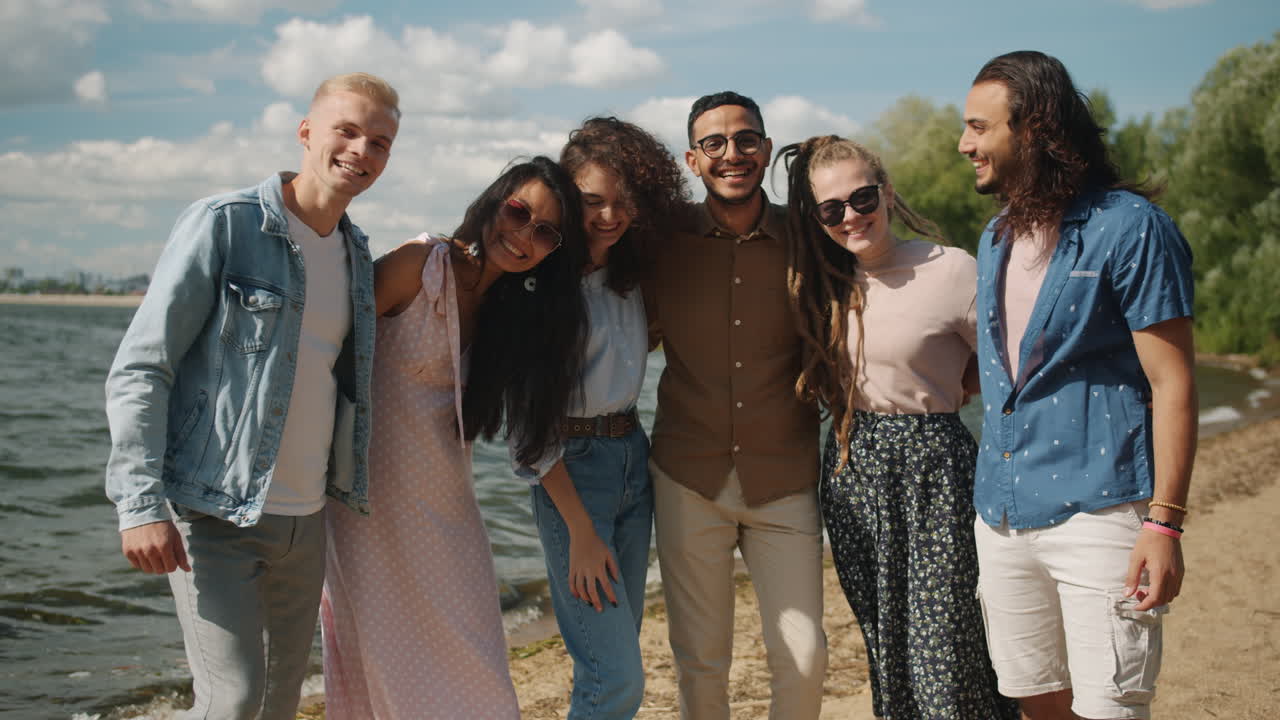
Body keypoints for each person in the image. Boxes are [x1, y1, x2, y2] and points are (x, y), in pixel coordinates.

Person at [103, 72, 399, 719]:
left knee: (279, 702)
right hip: (215, 514)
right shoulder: (227, 224)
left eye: (379, 142)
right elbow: (142, 368)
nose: (361, 151)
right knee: (231, 699)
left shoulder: (354, 255)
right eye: (346, 131)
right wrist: (139, 504)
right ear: (306, 132)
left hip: (306, 518)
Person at [958, 50, 1197, 720]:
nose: (964, 143)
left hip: (1104, 512)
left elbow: (1174, 383)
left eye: (979, 127)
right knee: (1035, 701)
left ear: (1032, 128)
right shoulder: (994, 239)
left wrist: (1165, 525)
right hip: (1000, 517)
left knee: (1112, 707)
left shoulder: (1132, 228)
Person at [320, 156, 589, 719]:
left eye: (545, 233)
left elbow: (531, 436)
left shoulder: (511, 312)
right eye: (519, 212)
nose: (523, 237)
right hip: (368, 514)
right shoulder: (420, 264)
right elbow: (321, 348)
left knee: (479, 668)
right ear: (495, 200)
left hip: (448, 513)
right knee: (391, 670)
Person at [778, 135, 1019, 720]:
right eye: (832, 210)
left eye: (861, 199)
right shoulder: (823, 283)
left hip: (936, 471)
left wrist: (953, 388)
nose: (851, 217)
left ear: (886, 192)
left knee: (949, 652)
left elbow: (1010, 362)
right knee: (889, 653)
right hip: (853, 472)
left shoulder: (951, 268)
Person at [644, 91, 826, 720]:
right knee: (700, 661)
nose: (732, 154)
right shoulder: (661, 246)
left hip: (786, 479)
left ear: (767, 151)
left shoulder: (812, 240)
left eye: (746, 139)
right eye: (714, 143)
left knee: (804, 661)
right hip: (687, 476)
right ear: (693, 160)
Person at [510, 117, 687, 719]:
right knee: (615, 679)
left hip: (634, 459)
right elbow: (526, 432)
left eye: (623, 202)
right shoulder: (537, 286)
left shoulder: (632, 276)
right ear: (564, 198)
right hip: (572, 473)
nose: (609, 215)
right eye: (591, 202)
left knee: (609, 664)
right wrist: (580, 532)